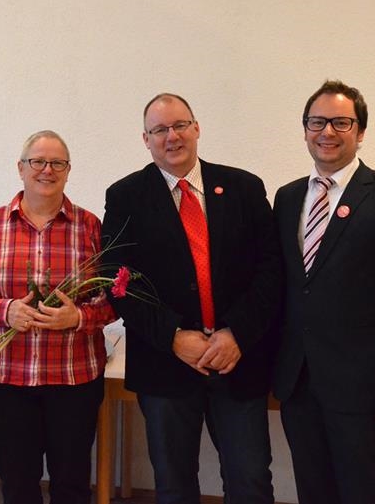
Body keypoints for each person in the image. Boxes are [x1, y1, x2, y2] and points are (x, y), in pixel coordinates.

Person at [101, 93, 281, 504]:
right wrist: (173, 337)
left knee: (250, 480)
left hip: (238, 359)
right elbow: (117, 281)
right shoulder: (126, 195)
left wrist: (236, 334)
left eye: (180, 125)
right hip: (165, 364)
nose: (172, 136)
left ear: (197, 128)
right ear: (145, 140)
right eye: (160, 130)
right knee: (174, 484)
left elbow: (271, 272)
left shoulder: (244, 188)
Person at [273, 80, 375, 504]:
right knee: (313, 491)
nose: (327, 131)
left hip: (364, 392)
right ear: (305, 129)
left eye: (341, 122)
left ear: (360, 132)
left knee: (364, 493)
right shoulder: (288, 198)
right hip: (300, 384)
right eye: (317, 122)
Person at [0, 130, 115, 504]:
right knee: (18, 484)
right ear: (21, 168)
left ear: (68, 170)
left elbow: (114, 299)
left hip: (74, 378)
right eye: (37, 162)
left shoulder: (90, 227)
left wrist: (78, 317)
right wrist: (4, 311)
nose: (47, 169)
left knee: (73, 484)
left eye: (56, 163)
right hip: (6, 380)